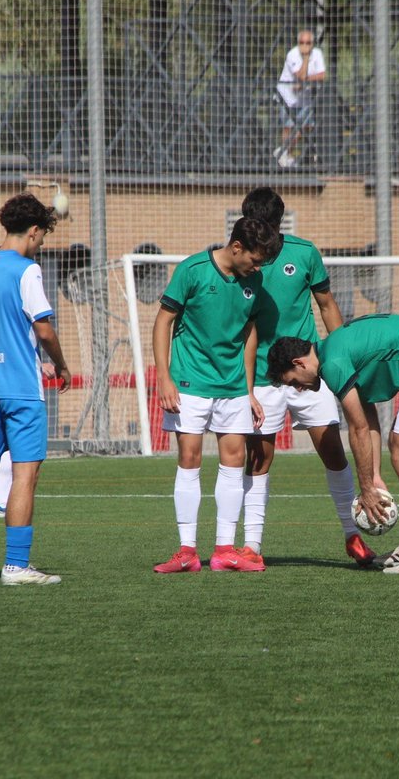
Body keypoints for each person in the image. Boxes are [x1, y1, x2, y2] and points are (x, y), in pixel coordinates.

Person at [266, 313, 399, 575]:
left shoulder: (333, 364)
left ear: (299, 363)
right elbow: (368, 415)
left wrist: (367, 489)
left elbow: (358, 428)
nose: (299, 389)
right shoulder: (331, 352)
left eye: (293, 381)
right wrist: (374, 477)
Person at [238, 187, 375, 568]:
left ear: (279, 224)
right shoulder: (244, 257)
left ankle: (353, 534)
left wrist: (343, 356)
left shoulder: (304, 253)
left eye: (266, 226)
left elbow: (327, 304)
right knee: (259, 458)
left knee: (333, 451)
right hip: (264, 375)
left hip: (307, 372)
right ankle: (251, 545)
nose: (260, 234)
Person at [152, 217, 282, 574]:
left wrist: (249, 389)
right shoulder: (191, 270)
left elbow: (249, 333)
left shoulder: (252, 281)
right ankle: (187, 552)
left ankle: (225, 550)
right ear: (236, 247)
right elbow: (163, 322)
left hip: (233, 387)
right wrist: (164, 377)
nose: (257, 268)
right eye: (254, 260)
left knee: (234, 460)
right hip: (190, 383)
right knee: (190, 458)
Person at [0, 193, 72, 585]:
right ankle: (16, 566)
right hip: (21, 390)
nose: (40, 243)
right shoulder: (27, 270)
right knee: (24, 475)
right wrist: (60, 364)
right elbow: (42, 327)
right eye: (41, 237)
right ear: (34, 230)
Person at [273, 29, 326, 169]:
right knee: (288, 126)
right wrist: (306, 58)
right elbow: (301, 75)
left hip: (304, 97)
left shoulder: (318, 54)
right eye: (302, 43)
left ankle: (286, 151)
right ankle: (285, 154)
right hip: (287, 97)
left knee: (307, 126)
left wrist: (308, 79)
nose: (305, 46)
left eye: (308, 43)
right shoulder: (292, 55)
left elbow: (322, 75)